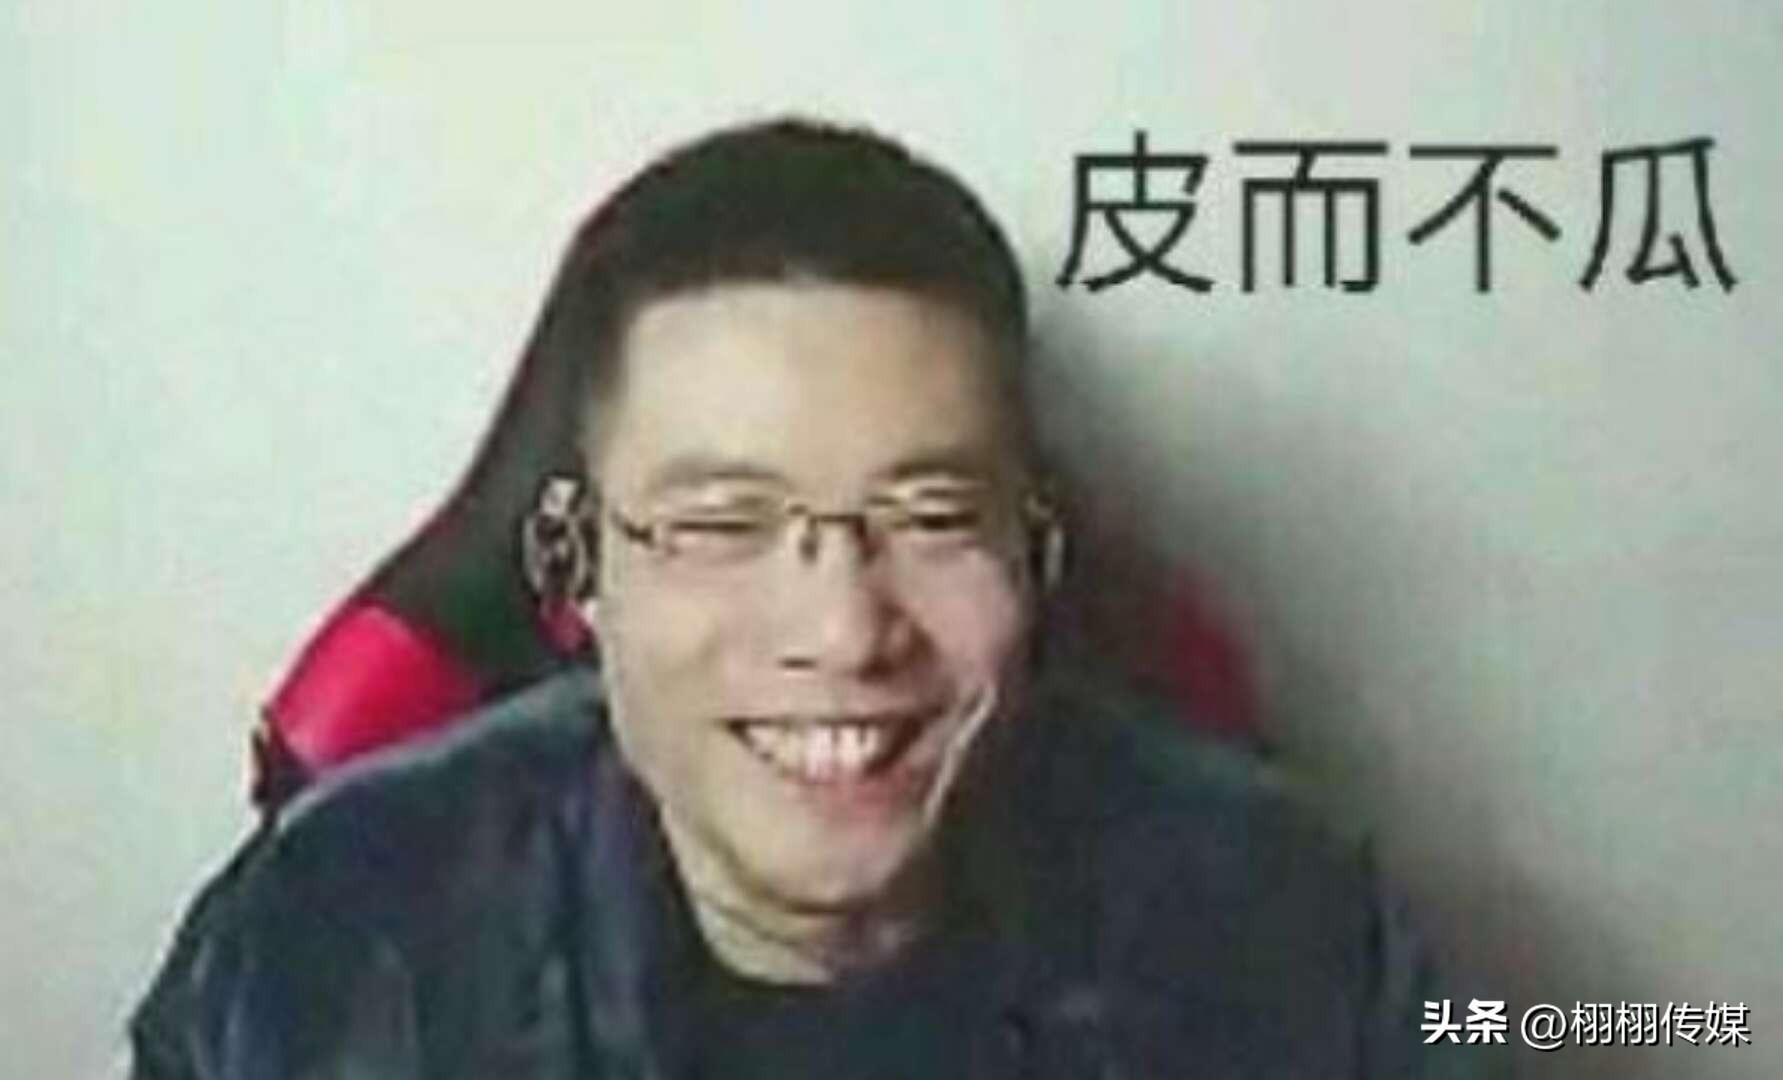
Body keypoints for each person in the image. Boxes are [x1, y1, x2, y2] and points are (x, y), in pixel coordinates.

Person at [130, 119, 1491, 1078]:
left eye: (933, 518)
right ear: (577, 572)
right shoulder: (321, 943)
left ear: (1036, 556)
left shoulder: (1299, 932)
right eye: (722, 524)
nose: (843, 632)